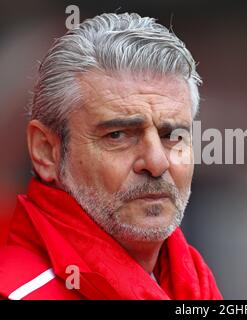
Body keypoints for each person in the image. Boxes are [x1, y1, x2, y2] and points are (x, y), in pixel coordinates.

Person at [0, 12, 222, 300]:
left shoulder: (194, 286)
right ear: (46, 151)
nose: (157, 163)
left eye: (173, 136)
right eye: (118, 135)